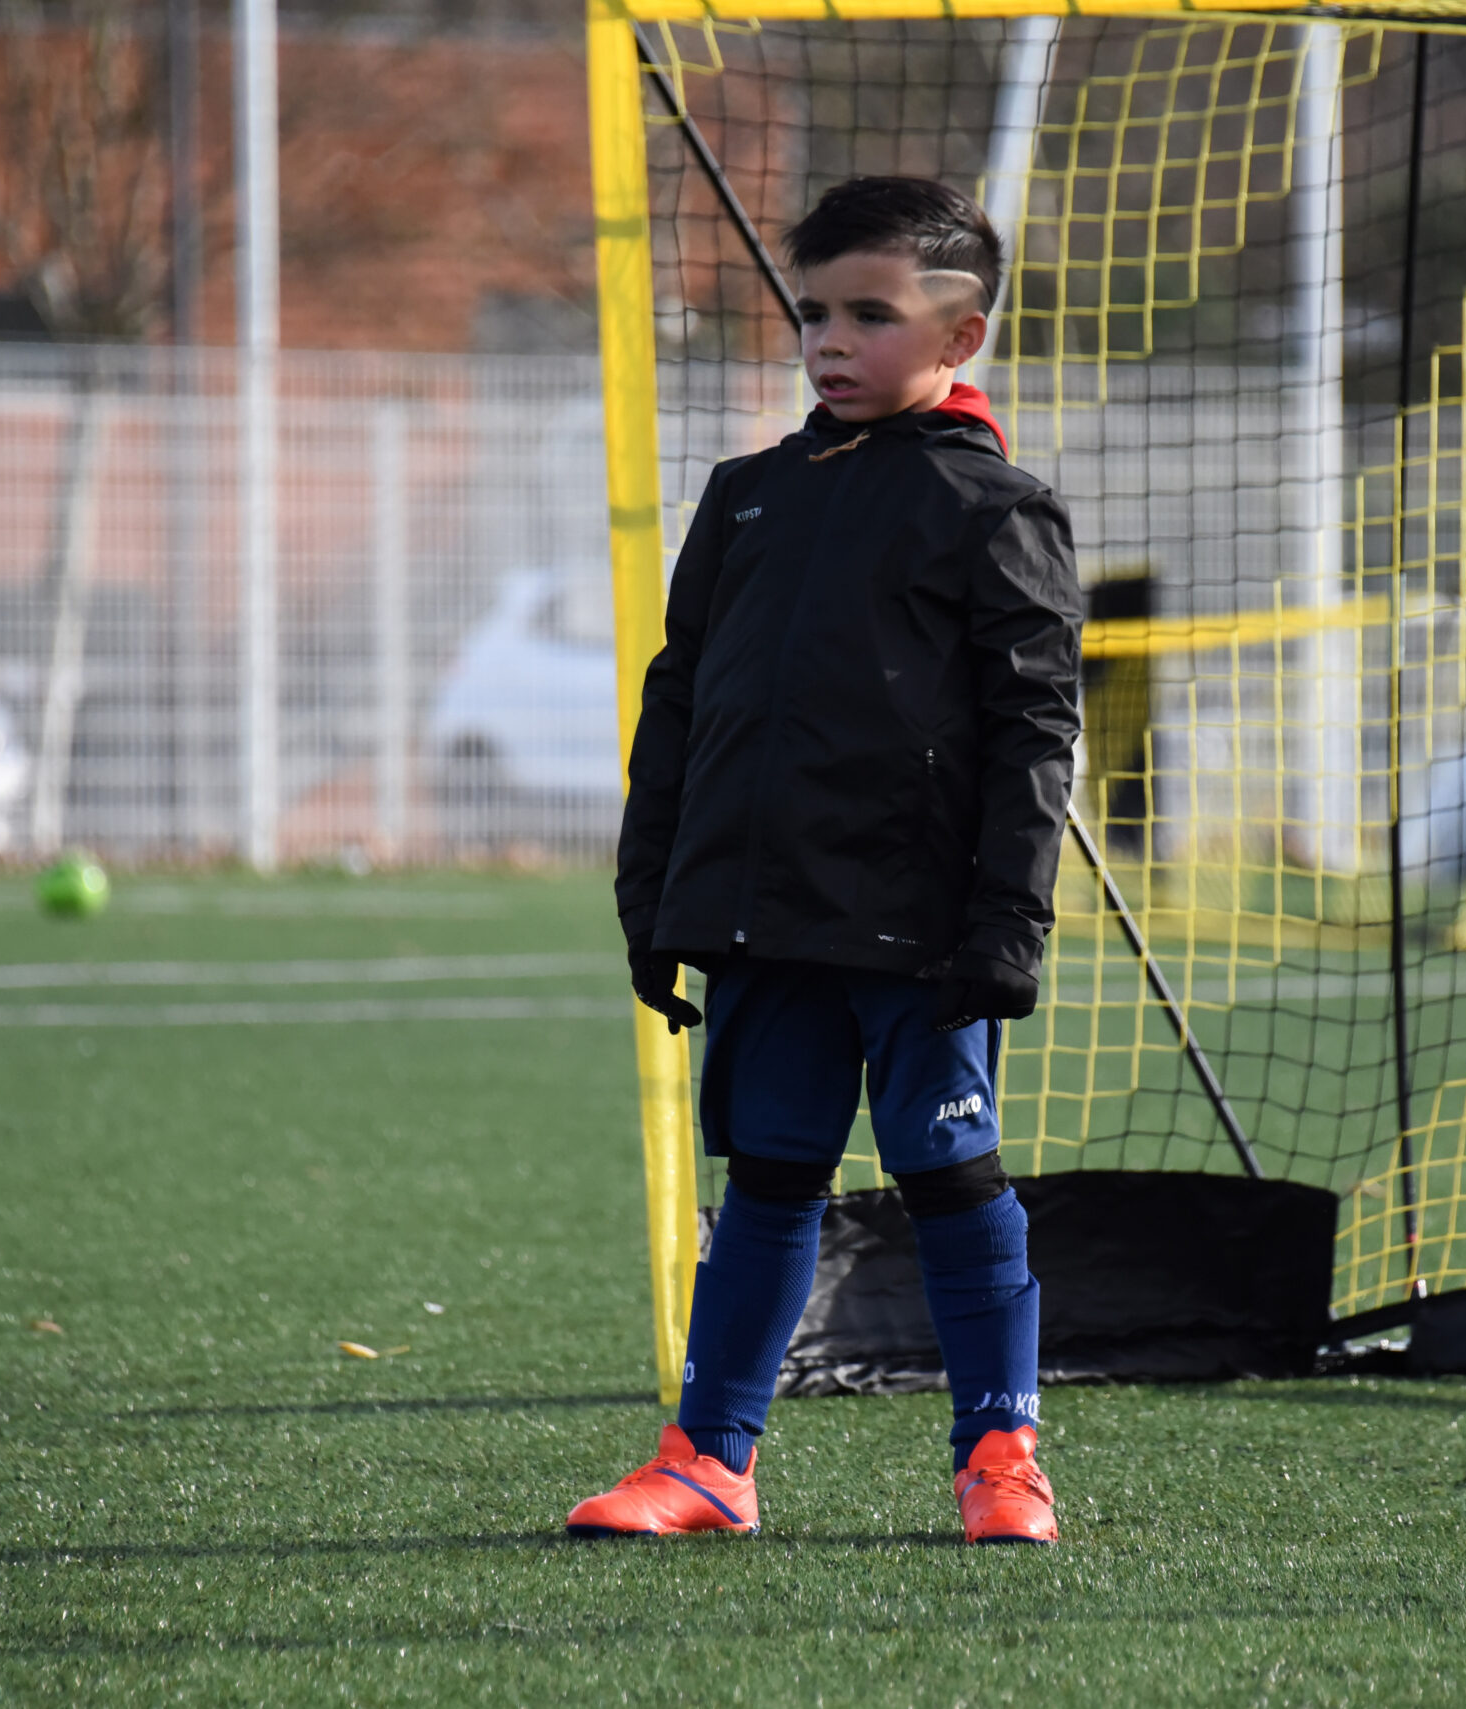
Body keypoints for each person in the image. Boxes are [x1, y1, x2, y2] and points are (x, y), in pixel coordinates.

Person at [566, 176, 1084, 1546]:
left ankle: (1001, 1459)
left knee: (951, 1180)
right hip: (762, 918)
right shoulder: (746, 499)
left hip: (922, 934)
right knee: (769, 1180)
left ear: (960, 337)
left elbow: (1036, 729)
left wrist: (1009, 920)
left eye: (871, 314)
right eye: (813, 314)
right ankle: (709, 1461)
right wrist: (654, 891)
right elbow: (680, 703)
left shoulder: (996, 508)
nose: (832, 341)